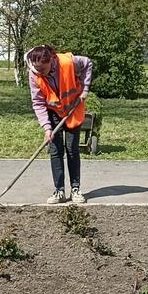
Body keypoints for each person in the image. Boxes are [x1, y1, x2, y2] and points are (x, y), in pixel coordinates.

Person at [27, 45, 94, 204]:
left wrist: (84, 91)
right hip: (53, 112)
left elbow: (88, 63)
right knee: (56, 151)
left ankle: (76, 189)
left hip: (72, 109)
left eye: (43, 68)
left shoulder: (68, 62)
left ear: (51, 60)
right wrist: (47, 128)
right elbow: (38, 102)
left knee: (72, 150)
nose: (39, 72)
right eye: (36, 68)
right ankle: (59, 191)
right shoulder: (33, 74)